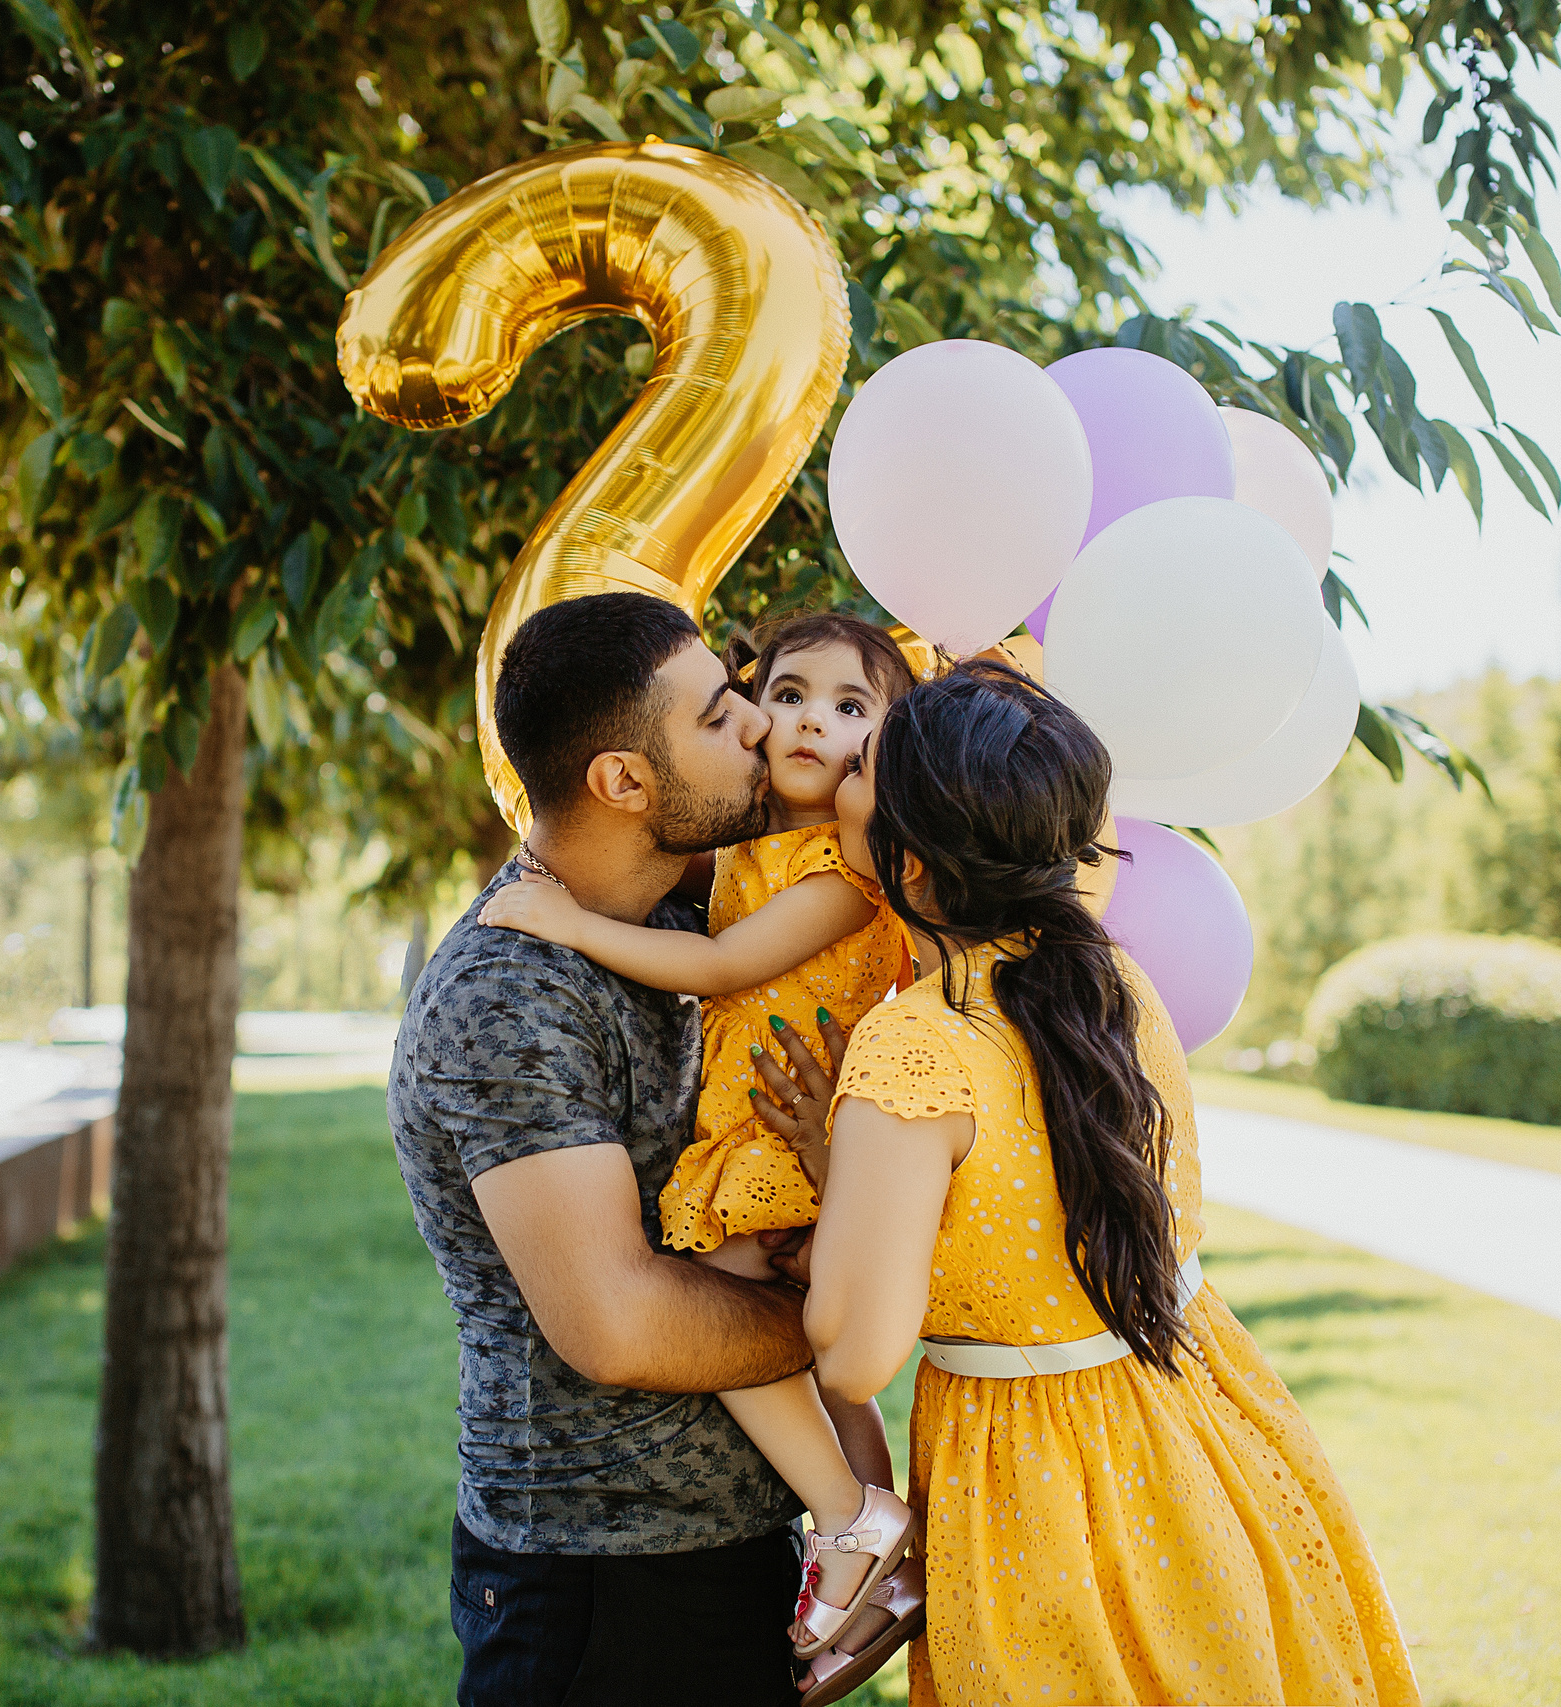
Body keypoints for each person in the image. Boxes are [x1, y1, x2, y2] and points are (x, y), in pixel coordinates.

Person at [776, 656, 1423, 1706]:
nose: (836, 773)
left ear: (912, 863)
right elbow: (1029, 1191)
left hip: (1038, 1478)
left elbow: (854, 1351)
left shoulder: (913, 1045)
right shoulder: (1112, 981)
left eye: (862, 774)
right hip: (1201, 1417)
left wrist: (837, 1175)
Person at [388, 591, 852, 1706]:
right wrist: (852, 1318)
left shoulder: (691, 929)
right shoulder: (509, 990)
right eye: (714, 716)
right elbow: (620, 1326)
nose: (755, 723)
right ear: (623, 783)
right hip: (600, 1591)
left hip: (728, 1555)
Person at [479, 610, 925, 1686]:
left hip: (772, 1128)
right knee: (819, 1362)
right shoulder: (730, 856)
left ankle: (849, 1518)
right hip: (598, 1564)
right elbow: (619, 1328)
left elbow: (727, 963)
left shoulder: (834, 871)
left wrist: (574, 922)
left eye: (849, 709)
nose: (795, 725)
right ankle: (869, 1528)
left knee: (732, 1285)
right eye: (773, 699)